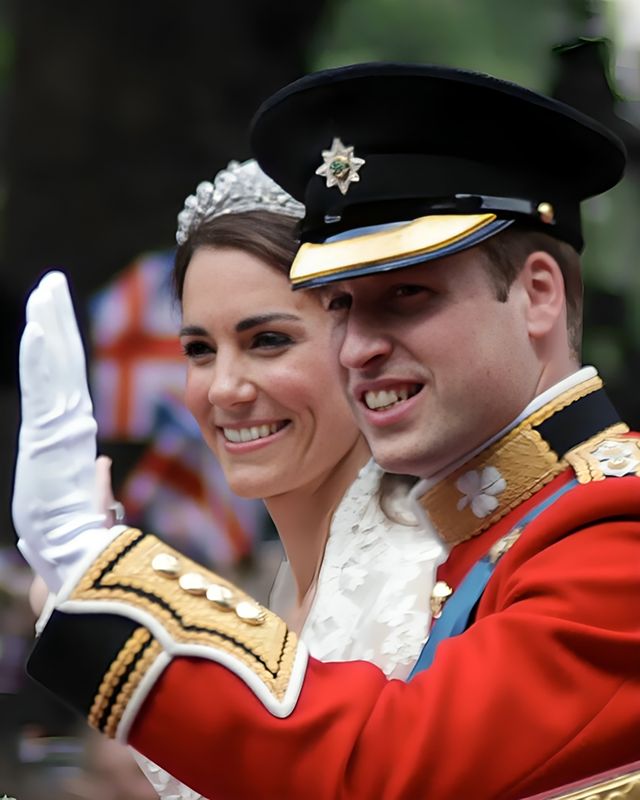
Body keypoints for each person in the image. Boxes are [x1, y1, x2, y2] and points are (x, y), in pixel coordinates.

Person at [12, 63, 640, 800]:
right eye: (340, 306)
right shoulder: (491, 532)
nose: (358, 347)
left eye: (406, 294)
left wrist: (105, 581)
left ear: (537, 295)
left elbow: (385, 770)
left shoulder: (613, 529)